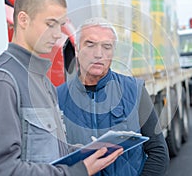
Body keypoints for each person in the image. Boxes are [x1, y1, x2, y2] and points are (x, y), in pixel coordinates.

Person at [0, 0, 123, 176]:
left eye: (60, 25)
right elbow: (1, 170)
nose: (57, 34)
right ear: (23, 20)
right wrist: (77, 171)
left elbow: (50, 152)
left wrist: (85, 152)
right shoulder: (1, 82)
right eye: (50, 24)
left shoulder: (43, 82)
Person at [57, 17, 170, 176]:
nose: (98, 54)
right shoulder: (57, 98)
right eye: (90, 45)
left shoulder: (134, 90)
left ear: (113, 52)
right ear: (77, 49)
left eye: (107, 46)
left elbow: (158, 152)